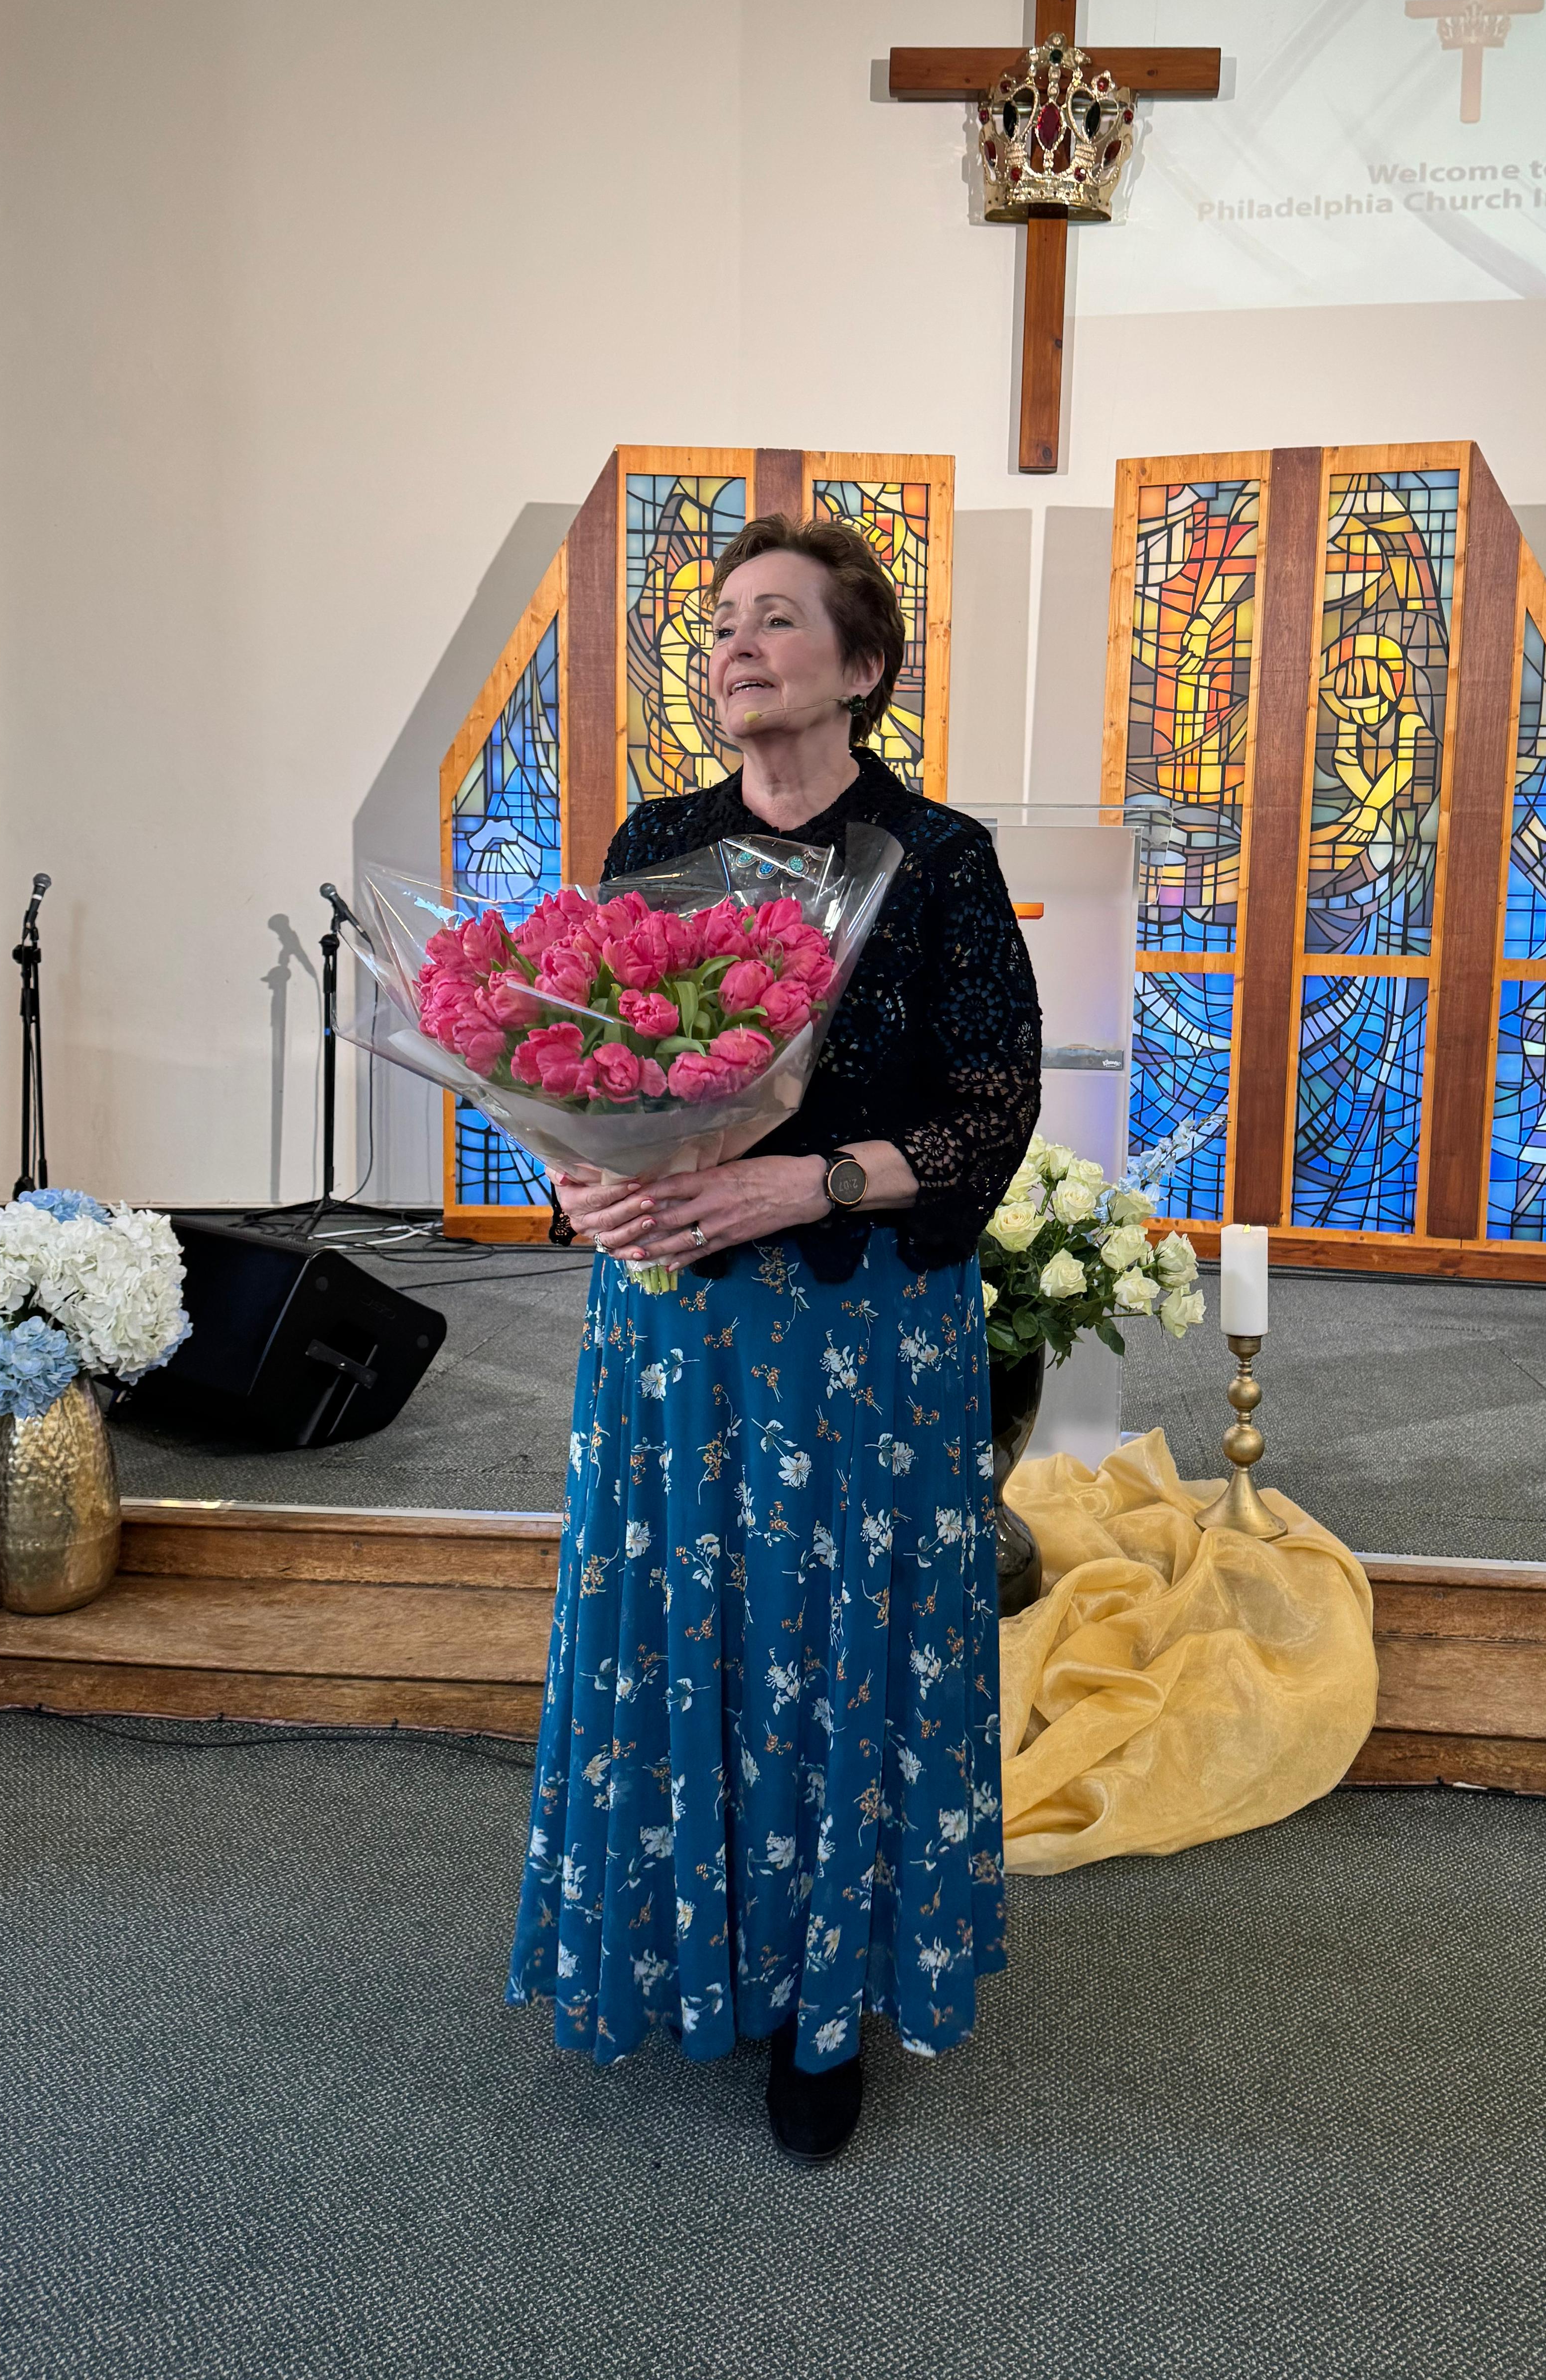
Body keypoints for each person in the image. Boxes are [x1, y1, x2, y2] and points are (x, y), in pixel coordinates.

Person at [506, 513, 1041, 2158]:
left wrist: (803, 1181)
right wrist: (576, 1182)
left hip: (859, 1334)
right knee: (685, 1631)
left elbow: (990, 1111)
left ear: (862, 666)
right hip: (676, 1325)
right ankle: (682, 1947)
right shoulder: (660, 839)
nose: (735, 646)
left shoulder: (937, 859)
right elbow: (570, 1052)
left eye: (778, 620)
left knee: (836, 1646)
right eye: (723, 623)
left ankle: (825, 2001)